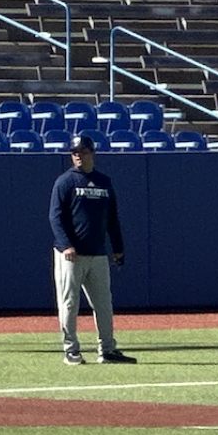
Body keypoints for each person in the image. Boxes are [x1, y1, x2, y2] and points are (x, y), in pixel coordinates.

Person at [50, 135, 137, 366]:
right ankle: (71, 350)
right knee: (69, 302)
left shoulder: (103, 182)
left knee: (104, 304)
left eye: (83, 151)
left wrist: (118, 248)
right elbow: (55, 217)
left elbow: (112, 219)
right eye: (75, 152)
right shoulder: (65, 182)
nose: (78, 155)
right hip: (71, 255)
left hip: (98, 253)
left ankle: (107, 350)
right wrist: (65, 244)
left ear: (92, 153)